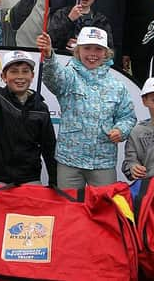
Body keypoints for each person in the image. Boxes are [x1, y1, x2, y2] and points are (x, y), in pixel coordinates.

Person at [37, 27, 136, 188]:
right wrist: (48, 54)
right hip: (69, 160)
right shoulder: (69, 75)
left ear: (106, 53)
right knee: (70, 209)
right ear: (77, 51)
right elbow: (53, 78)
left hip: (103, 161)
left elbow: (127, 117)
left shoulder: (117, 85)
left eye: (98, 49)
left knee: (103, 210)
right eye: (87, 48)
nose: (92, 53)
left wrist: (120, 130)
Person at [0, 48, 57, 185]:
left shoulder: (41, 108)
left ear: (32, 75)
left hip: (30, 179)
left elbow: (49, 147)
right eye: (14, 71)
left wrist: (54, 182)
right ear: (4, 77)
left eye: (25, 71)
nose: (20, 77)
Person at [48, 0, 113, 52]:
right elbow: (50, 40)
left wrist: (82, 47)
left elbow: (108, 48)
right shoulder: (61, 14)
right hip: (63, 60)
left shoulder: (101, 20)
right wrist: (69, 19)